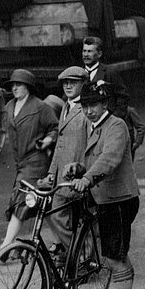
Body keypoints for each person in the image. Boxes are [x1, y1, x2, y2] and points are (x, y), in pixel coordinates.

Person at [72, 83, 141, 289]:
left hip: (120, 200)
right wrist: (78, 168)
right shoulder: (95, 127)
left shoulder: (116, 126)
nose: (88, 110)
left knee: (116, 257)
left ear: (104, 104)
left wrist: (87, 178)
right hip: (107, 199)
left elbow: (110, 159)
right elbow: (95, 158)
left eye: (93, 105)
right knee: (113, 255)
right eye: (84, 106)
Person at [0, 69, 58, 253]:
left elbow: (55, 128)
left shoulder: (39, 107)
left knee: (19, 199)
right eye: (13, 85)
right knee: (42, 204)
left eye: (19, 85)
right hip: (20, 163)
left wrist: (48, 139)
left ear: (29, 88)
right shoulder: (9, 106)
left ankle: (6, 246)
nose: (15, 88)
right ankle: (63, 240)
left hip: (36, 161)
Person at [40, 66, 89, 257]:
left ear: (83, 84)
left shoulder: (86, 109)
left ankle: (83, 258)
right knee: (57, 214)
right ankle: (77, 255)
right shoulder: (65, 107)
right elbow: (60, 144)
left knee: (84, 219)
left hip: (79, 175)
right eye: (65, 82)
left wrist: (84, 171)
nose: (68, 86)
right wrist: (52, 173)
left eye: (73, 82)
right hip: (62, 176)